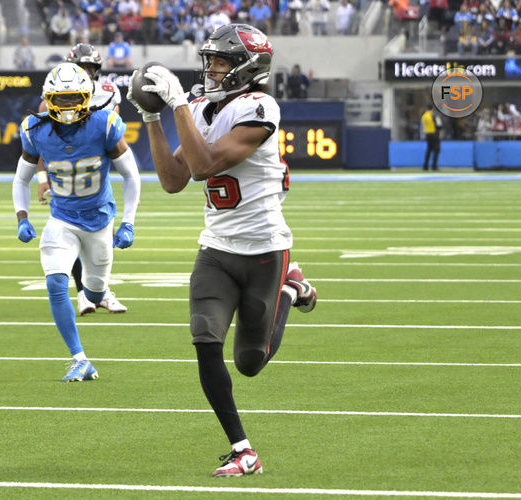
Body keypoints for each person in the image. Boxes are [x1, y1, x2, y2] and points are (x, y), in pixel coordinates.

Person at [126, 24, 317, 477]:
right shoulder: (200, 107)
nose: (210, 69)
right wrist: (152, 120)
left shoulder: (260, 106)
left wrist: (176, 107)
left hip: (265, 250)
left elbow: (204, 165)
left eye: (221, 61)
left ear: (248, 67)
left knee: (250, 362)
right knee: (205, 341)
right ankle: (242, 449)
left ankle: (291, 290)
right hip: (215, 249)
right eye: (209, 60)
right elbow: (173, 181)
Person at [12, 62, 140, 382]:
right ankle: (79, 358)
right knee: (56, 282)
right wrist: (22, 217)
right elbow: (21, 179)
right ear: (48, 99)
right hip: (62, 218)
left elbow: (131, 174)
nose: (67, 106)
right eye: (61, 98)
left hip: (99, 220)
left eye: (74, 98)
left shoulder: (104, 124)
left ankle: (97, 293)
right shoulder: (35, 128)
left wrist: (128, 222)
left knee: (94, 294)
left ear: (87, 97)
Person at [38, 43, 128, 316]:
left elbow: (113, 136)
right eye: (82, 67)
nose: (87, 72)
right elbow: (42, 143)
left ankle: (99, 290)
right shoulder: (54, 97)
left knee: (102, 232)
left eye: (91, 68)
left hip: (95, 172)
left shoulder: (110, 93)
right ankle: (82, 294)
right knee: (70, 233)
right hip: (68, 172)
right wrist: (43, 178)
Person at [421, 105, 442, 171]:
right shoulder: (434, 115)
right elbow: (439, 124)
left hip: (427, 134)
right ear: (432, 109)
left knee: (429, 150)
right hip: (434, 134)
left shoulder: (424, 116)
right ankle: (434, 166)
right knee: (436, 150)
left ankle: (425, 166)